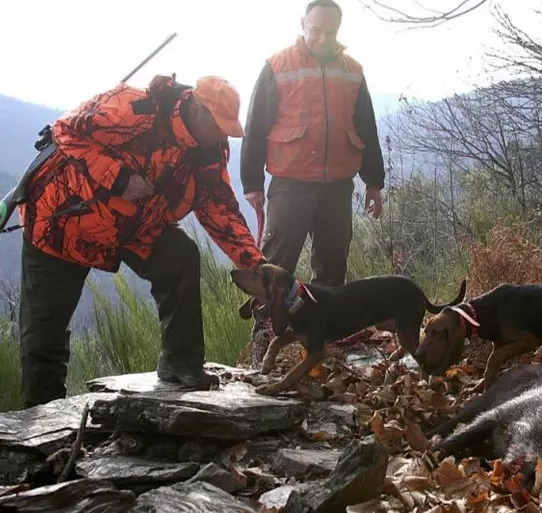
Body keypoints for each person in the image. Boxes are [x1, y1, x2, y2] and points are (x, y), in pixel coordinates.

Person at [18, 74, 265, 408]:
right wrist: (119, 179)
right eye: (219, 125)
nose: (223, 136)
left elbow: (218, 205)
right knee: (44, 338)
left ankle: (181, 363)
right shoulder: (135, 108)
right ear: (197, 108)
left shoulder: (208, 149)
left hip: (133, 227)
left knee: (180, 256)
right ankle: (42, 423)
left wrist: (255, 265)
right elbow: (66, 131)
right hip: (63, 223)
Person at [240, 0, 386, 367]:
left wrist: (374, 181)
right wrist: (252, 183)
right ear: (303, 25)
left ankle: (325, 345)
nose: (322, 37)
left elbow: (366, 126)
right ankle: (263, 343)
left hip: (338, 183)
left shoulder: (353, 70)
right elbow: (255, 126)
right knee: (274, 265)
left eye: (330, 31)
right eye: (315, 29)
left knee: (332, 266)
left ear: (338, 30)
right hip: (290, 182)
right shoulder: (277, 65)